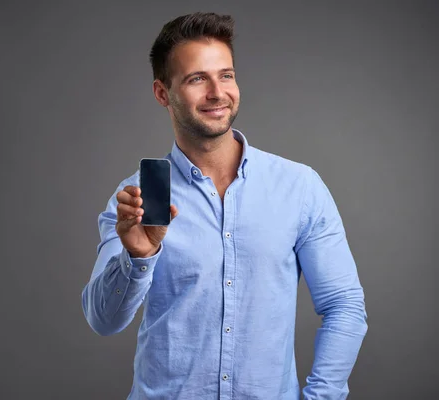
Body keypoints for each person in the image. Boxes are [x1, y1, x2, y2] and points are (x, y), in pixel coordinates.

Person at [81, 11, 368, 400]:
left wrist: (321, 397)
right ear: (162, 93)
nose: (217, 92)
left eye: (226, 74)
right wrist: (138, 258)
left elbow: (344, 306)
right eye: (197, 79)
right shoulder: (136, 198)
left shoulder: (298, 187)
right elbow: (103, 320)